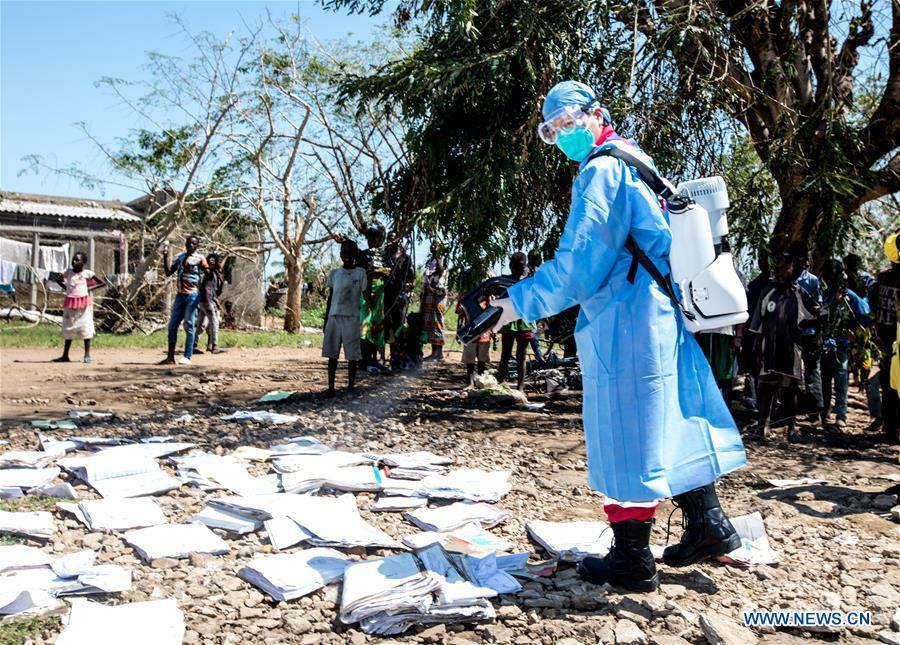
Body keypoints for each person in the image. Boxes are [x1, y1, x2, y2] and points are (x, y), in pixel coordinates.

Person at [488, 80, 746, 592]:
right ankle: (709, 524)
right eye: (553, 131)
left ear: (596, 113)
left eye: (569, 123)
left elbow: (580, 266)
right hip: (659, 313)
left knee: (625, 435)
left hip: (627, 321)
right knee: (672, 417)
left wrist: (515, 304)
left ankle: (631, 557)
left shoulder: (602, 172)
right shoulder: (635, 161)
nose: (563, 136)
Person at [748, 252, 820, 440]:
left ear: (794, 270)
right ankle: (764, 425)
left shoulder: (800, 293)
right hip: (769, 348)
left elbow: (816, 314)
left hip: (791, 349)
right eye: (778, 267)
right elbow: (758, 323)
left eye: (785, 268)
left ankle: (791, 428)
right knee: (766, 387)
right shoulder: (767, 292)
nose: (780, 271)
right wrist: (757, 349)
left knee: (790, 389)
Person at [820, 258, 870, 430]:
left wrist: (854, 332)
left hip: (841, 345)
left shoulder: (849, 295)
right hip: (825, 345)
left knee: (841, 382)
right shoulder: (825, 295)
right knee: (824, 381)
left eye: (830, 275)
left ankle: (841, 416)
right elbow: (819, 315)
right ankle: (824, 414)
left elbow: (864, 315)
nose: (828, 278)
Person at [323, 240, 367, 396]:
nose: (346, 255)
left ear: (356, 254)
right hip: (334, 316)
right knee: (332, 354)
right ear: (340, 254)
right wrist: (325, 319)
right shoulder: (335, 274)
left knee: (352, 355)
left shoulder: (361, 273)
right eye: (343, 252)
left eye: (350, 252)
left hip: (352, 317)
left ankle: (350, 386)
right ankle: (331, 387)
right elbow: (330, 298)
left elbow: (366, 293)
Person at [870, 230, 900, 441]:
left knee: (889, 385)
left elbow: (872, 307)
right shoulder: (882, 278)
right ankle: (891, 429)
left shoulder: (881, 278)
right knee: (891, 385)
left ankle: (890, 429)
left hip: (885, 339)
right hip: (890, 339)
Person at [160, 236, 208, 365]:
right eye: (189, 243)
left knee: (189, 324)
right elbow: (169, 272)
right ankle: (170, 357)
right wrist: (165, 256)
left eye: (194, 244)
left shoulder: (200, 259)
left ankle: (187, 356)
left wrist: (203, 290)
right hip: (180, 295)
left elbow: (208, 274)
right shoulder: (180, 257)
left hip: (192, 296)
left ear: (197, 246)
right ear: (186, 244)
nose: (191, 245)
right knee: (172, 326)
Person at [790, 242, 824, 413]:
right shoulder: (786, 277)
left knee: (812, 370)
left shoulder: (811, 280)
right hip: (791, 332)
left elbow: (819, 307)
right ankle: (795, 407)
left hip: (808, 331)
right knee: (792, 370)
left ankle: (815, 410)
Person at [53, 252, 105, 363]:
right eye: (73, 259)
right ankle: (65, 356)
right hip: (70, 303)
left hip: (84, 304)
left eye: (77, 260)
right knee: (68, 327)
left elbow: (102, 283)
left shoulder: (87, 273)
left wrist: (88, 289)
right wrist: (66, 287)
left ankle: (87, 355)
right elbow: (58, 280)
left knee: (86, 327)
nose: (74, 262)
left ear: (84, 263)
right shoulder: (68, 272)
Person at [496, 252, 533, 394]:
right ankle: (502, 384)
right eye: (516, 266)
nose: (518, 269)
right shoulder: (505, 281)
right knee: (507, 353)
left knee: (520, 355)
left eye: (521, 266)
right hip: (509, 320)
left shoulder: (528, 282)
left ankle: (520, 387)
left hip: (522, 320)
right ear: (511, 266)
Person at [383, 232, 415, 370]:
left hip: (400, 297)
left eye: (393, 238)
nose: (391, 241)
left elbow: (411, 276)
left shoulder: (405, 258)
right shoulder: (384, 256)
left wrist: (402, 269)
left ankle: (398, 358)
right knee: (386, 327)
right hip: (386, 296)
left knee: (399, 327)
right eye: (389, 238)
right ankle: (386, 357)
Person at [359, 224, 388, 373]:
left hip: (380, 295)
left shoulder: (384, 256)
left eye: (375, 238)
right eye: (370, 238)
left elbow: (389, 273)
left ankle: (374, 359)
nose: (372, 241)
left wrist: (381, 273)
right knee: (365, 326)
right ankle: (363, 359)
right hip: (365, 294)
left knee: (377, 328)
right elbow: (360, 274)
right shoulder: (363, 255)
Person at [192, 252, 224, 355]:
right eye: (209, 260)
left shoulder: (214, 274)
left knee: (201, 325)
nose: (211, 261)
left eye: (213, 260)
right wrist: (209, 303)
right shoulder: (209, 273)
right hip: (206, 302)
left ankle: (193, 346)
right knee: (214, 323)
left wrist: (215, 302)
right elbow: (207, 290)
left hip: (203, 302)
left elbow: (212, 291)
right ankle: (215, 346)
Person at [422, 241, 448, 362]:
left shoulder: (442, 260)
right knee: (431, 324)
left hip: (438, 298)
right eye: (432, 244)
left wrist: (431, 285)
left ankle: (439, 354)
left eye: (436, 245)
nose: (433, 247)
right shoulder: (430, 261)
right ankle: (434, 353)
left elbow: (441, 280)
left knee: (437, 323)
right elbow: (426, 276)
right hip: (429, 296)